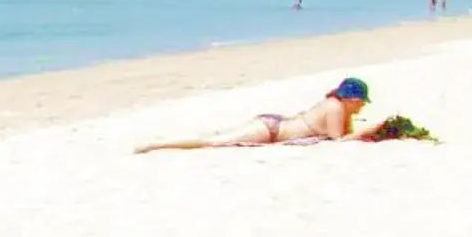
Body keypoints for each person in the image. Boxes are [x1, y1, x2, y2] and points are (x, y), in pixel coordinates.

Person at [135, 77, 387, 152]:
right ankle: (156, 145)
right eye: (361, 102)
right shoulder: (334, 107)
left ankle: (160, 144)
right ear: (352, 99)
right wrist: (369, 131)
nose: (362, 106)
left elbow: (344, 134)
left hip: (274, 126)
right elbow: (338, 140)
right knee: (212, 142)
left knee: (216, 137)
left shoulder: (337, 106)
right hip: (270, 131)